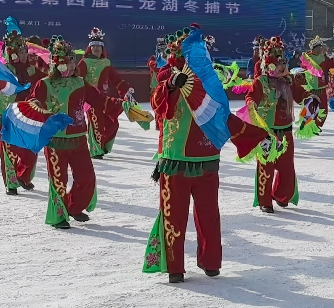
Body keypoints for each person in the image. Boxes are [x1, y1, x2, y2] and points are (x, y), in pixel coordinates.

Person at [142, 24, 275, 283]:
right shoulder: (168, 78)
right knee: (173, 216)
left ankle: (211, 261)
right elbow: (158, 105)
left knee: (209, 216)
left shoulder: (210, 84)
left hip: (206, 161)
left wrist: (258, 136)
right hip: (175, 161)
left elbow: (225, 120)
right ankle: (175, 268)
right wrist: (170, 84)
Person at [28, 36, 127, 228]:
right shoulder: (45, 84)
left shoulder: (81, 83)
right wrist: (39, 108)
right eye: (67, 62)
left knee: (86, 177)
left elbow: (101, 101)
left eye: (73, 61)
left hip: (79, 139)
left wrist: (124, 105)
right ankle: (58, 217)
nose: (72, 66)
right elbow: (33, 101)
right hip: (56, 141)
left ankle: (73, 206)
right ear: (57, 64)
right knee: (59, 180)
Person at [244, 36, 312, 213]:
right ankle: (264, 201)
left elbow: (301, 94)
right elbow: (251, 96)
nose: (282, 67)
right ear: (268, 65)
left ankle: (281, 195)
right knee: (266, 167)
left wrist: (309, 98)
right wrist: (251, 104)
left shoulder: (288, 81)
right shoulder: (261, 82)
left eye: (283, 63)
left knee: (286, 167)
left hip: (285, 131)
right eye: (277, 63)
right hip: (267, 132)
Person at [1, 29, 47, 195]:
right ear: (11, 52)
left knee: (30, 148)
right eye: (20, 51)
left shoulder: (31, 70)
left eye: (25, 51)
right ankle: (11, 184)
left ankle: (24, 176)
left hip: (27, 116)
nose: (24, 54)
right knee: (9, 150)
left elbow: (47, 80)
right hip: (7, 115)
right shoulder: (4, 71)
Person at [77, 28, 134, 159]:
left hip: (104, 98)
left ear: (103, 49)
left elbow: (115, 79)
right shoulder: (84, 62)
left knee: (112, 122)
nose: (96, 49)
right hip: (91, 98)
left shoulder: (106, 63)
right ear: (90, 48)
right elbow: (78, 78)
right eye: (94, 46)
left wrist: (126, 89)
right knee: (96, 122)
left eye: (99, 46)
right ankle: (95, 150)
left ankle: (103, 146)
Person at [299, 36, 334, 128]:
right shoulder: (307, 58)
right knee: (309, 107)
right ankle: (306, 124)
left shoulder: (323, 57)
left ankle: (316, 126)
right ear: (315, 48)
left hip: (321, 87)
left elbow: (332, 64)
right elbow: (303, 68)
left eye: (321, 47)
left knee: (323, 109)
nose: (321, 49)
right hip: (311, 87)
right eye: (319, 47)